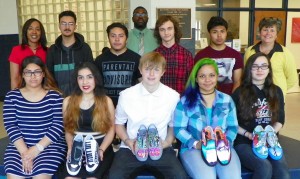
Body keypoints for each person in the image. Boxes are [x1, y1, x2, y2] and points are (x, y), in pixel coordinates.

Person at [109, 52, 187, 179]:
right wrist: (128, 141)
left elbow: (173, 125)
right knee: (114, 176)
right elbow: (119, 123)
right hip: (130, 148)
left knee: (180, 176)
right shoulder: (126, 95)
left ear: (163, 72)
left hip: (160, 147)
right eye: (147, 69)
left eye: (156, 70)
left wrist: (167, 142)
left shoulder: (173, 96)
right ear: (140, 70)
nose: (151, 74)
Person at [174, 58, 241, 179]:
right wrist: (196, 144)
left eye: (211, 75)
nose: (207, 80)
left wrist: (226, 142)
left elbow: (233, 127)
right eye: (202, 76)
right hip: (193, 148)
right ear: (196, 79)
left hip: (222, 149)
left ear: (217, 77)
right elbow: (179, 129)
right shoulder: (185, 101)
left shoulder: (227, 100)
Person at [3, 56, 66, 178]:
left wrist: (37, 149)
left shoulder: (55, 96)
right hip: (20, 146)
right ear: (22, 75)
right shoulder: (12, 97)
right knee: (14, 175)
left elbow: (58, 126)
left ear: (43, 74)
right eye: (28, 72)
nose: (33, 76)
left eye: (37, 72)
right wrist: (25, 153)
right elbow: (11, 126)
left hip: (49, 146)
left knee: (40, 176)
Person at [232, 52, 290, 179]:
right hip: (244, 142)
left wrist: (269, 134)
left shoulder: (276, 91)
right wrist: (248, 134)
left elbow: (280, 119)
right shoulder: (239, 93)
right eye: (255, 66)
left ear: (269, 69)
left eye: (264, 66)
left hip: (269, 142)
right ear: (249, 69)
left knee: (283, 174)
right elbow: (231, 123)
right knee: (264, 167)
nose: (260, 69)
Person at [57, 62, 115, 178]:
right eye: (81, 78)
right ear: (76, 80)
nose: (85, 82)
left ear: (96, 79)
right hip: (76, 149)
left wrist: (101, 150)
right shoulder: (67, 101)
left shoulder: (106, 101)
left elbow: (111, 130)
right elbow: (68, 130)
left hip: (99, 148)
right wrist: (70, 147)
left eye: (89, 77)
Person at [244, 17, 298, 99]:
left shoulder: (285, 53)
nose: (268, 33)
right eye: (265, 30)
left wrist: (280, 90)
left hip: (276, 97)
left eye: (272, 30)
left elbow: (292, 78)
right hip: (253, 96)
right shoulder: (250, 51)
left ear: (276, 35)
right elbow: (247, 73)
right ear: (260, 32)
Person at [46, 10, 93, 97]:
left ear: (75, 26)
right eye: (63, 23)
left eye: (70, 24)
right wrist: (55, 93)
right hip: (58, 98)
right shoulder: (53, 50)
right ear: (59, 26)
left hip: (81, 98)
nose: (67, 27)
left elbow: (91, 74)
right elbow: (49, 75)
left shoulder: (84, 48)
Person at [94, 22, 141, 107]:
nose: (117, 39)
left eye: (121, 36)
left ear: (126, 38)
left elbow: (143, 83)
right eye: (113, 36)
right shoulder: (100, 60)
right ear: (108, 38)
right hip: (106, 107)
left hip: (130, 106)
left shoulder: (136, 59)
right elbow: (95, 86)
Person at [194, 16, 243, 95]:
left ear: (226, 32)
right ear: (209, 33)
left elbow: (237, 82)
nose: (219, 35)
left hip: (229, 100)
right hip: (206, 100)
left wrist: (231, 100)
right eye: (215, 32)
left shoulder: (236, 55)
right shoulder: (200, 56)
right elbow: (196, 81)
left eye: (222, 31)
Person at [154, 15, 194, 95]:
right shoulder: (153, 56)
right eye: (162, 29)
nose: (166, 33)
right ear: (158, 32)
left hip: (181, 104)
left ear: (175, 30)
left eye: (169, 28)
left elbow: (191, 83)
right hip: (159, 103)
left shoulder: (187, 56)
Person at [9, 18, 47, 90]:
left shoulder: (48, 51)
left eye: (38, 29)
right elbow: (14, 78)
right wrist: (14, 96)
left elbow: (49, 76)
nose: (34, 32)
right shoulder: (16, 50)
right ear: (25, 32)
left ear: (41, 33)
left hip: (43, 92)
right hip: (23, 92)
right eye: (30, 29)